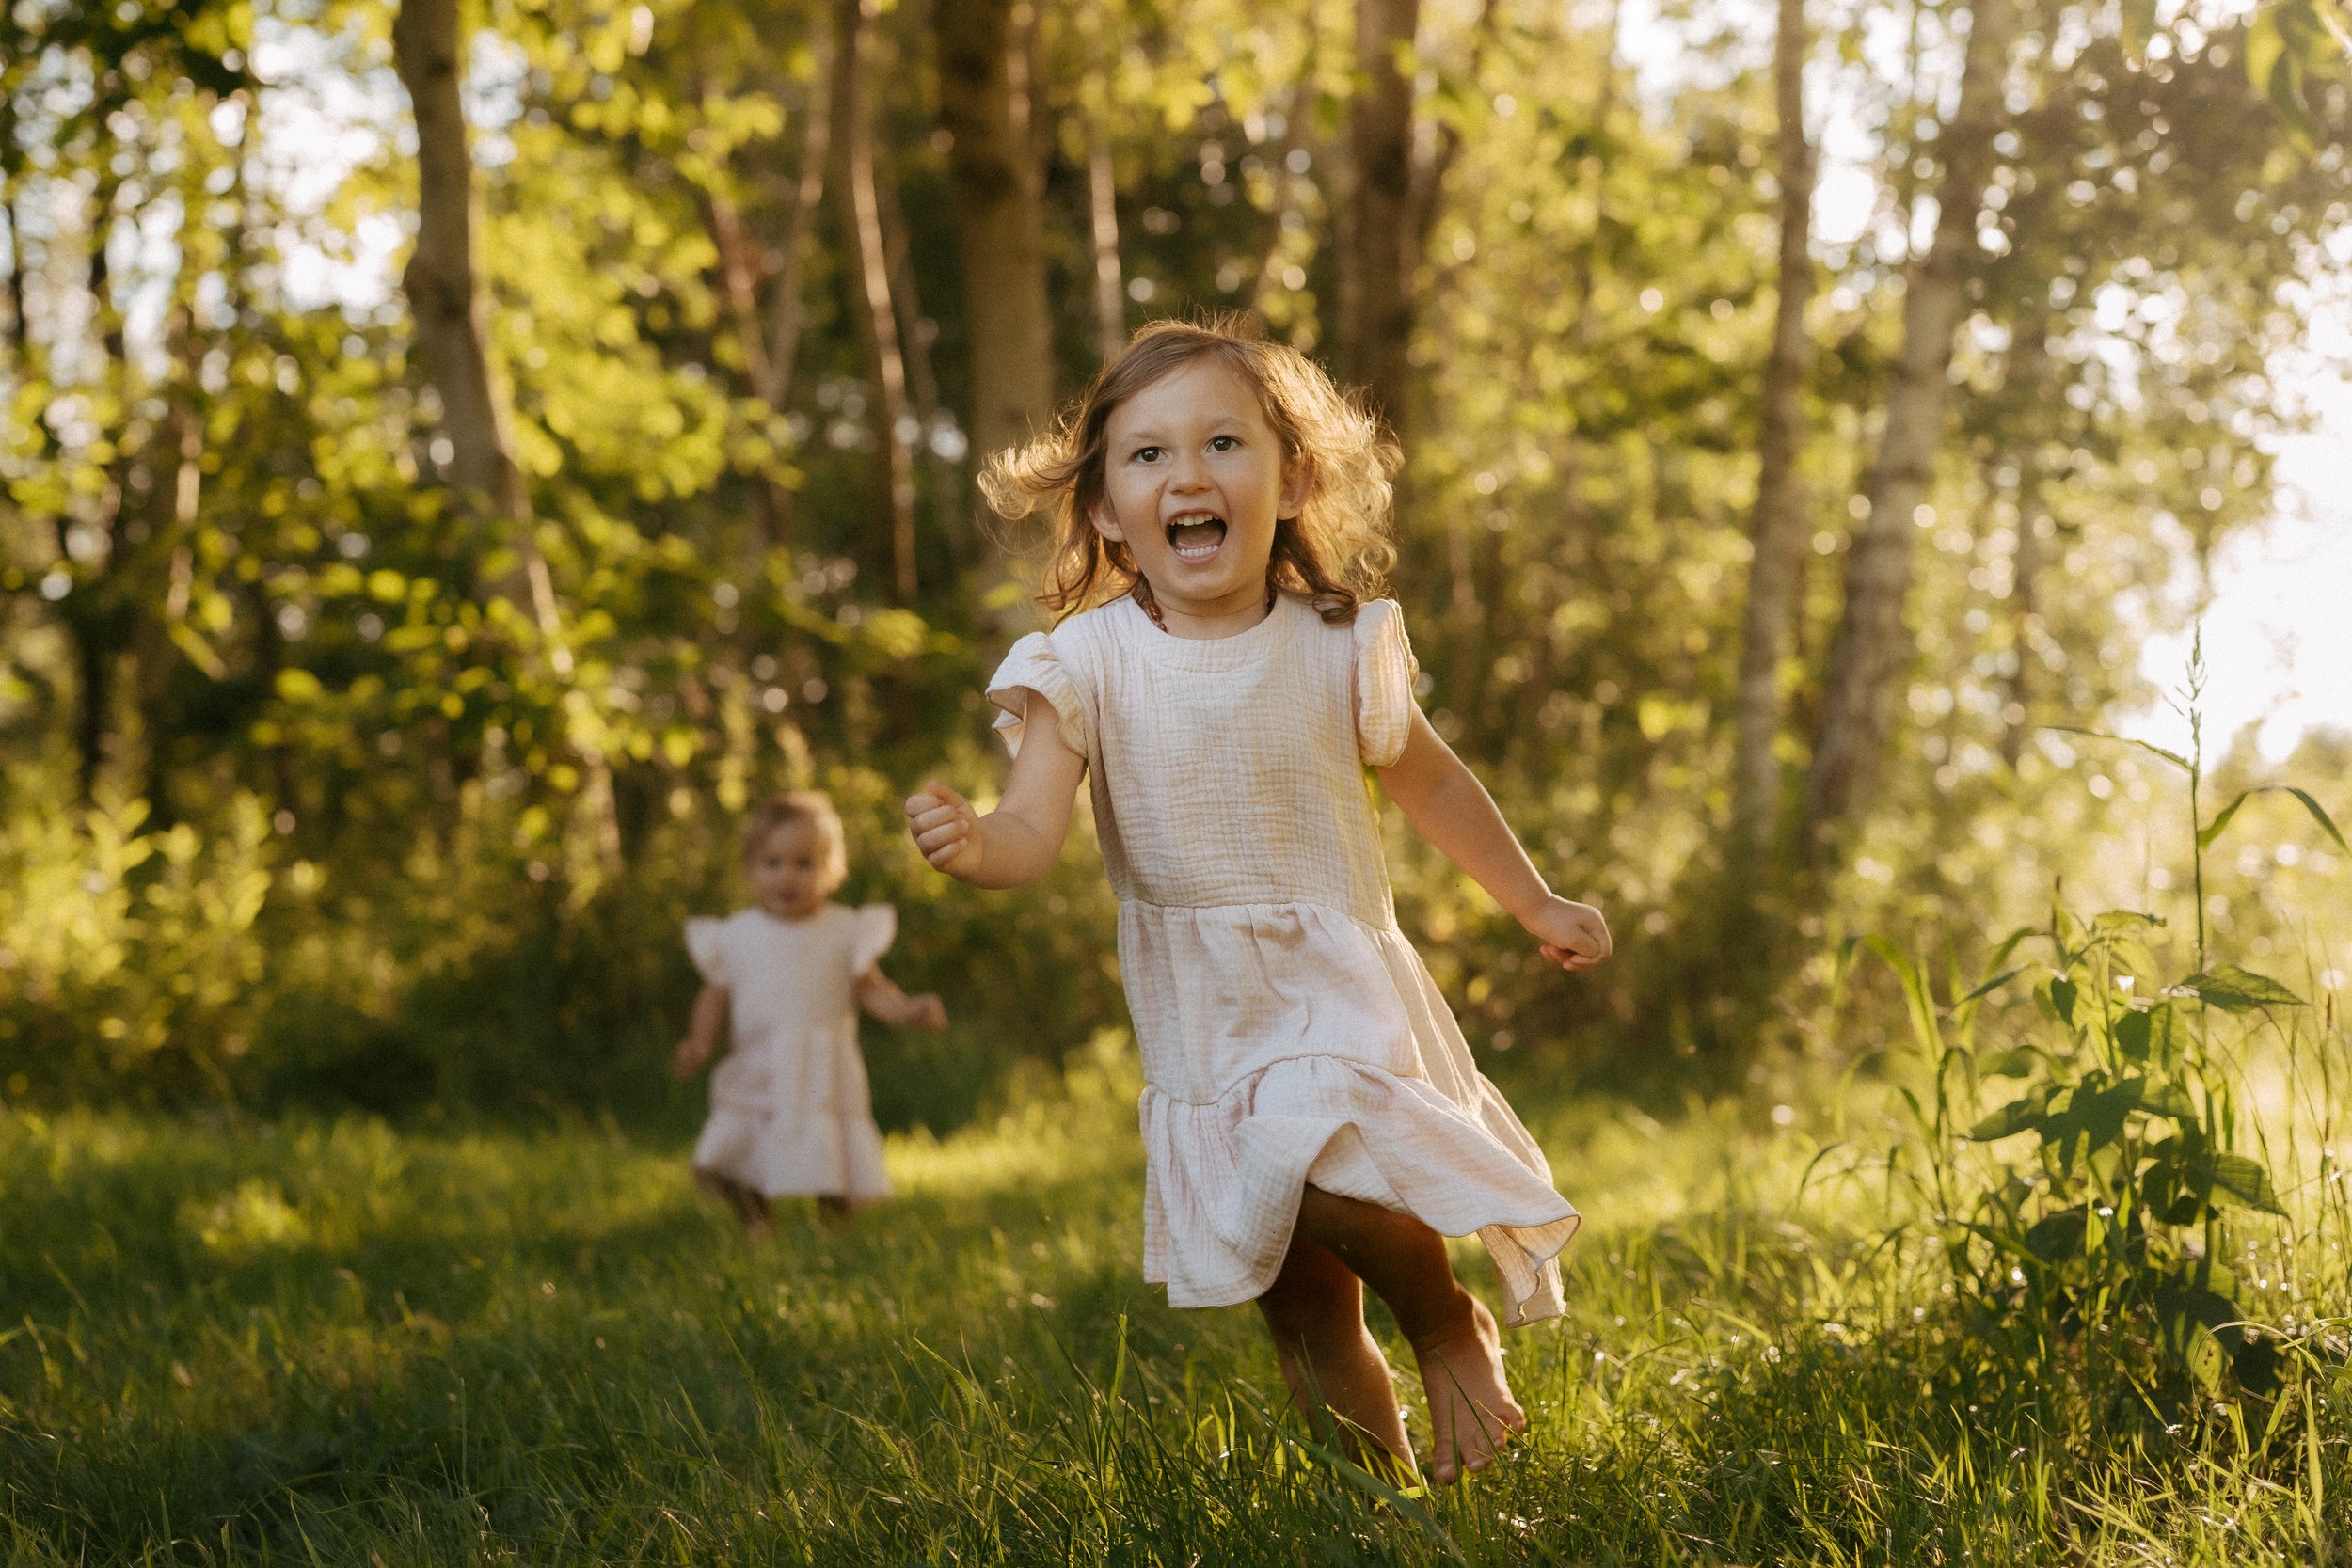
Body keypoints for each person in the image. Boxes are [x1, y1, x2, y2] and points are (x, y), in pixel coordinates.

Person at [903, 314, 1611, 1485]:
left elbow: (1430, 779)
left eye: (1224, 442)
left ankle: (1444, 1321)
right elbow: (1031, 829)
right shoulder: (1080, 664)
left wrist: (1530, 901)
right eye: (1147, 455)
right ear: (1100, 509)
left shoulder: (1338, 644)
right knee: (1295, 1298)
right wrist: (977, 842)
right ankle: (1379, 1498)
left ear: (1293, 480)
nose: (1188, 474)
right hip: (1202, 1008)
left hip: (1332, 978)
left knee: (1321, 1159)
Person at [675, 789, 946, 1234]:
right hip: (760, 1061)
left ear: (831, 871)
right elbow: (714, 995)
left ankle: (835, 1221)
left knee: (830, 1146)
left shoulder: (843, 930)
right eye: (773, 863)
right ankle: (756, 1217)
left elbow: (871, 990)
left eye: (805, 864)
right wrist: (699, 1041)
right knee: (741, 1147)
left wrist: (908, 1010)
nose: (788, 877)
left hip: (824, 1066)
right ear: (750, 869)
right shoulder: (737, 936)